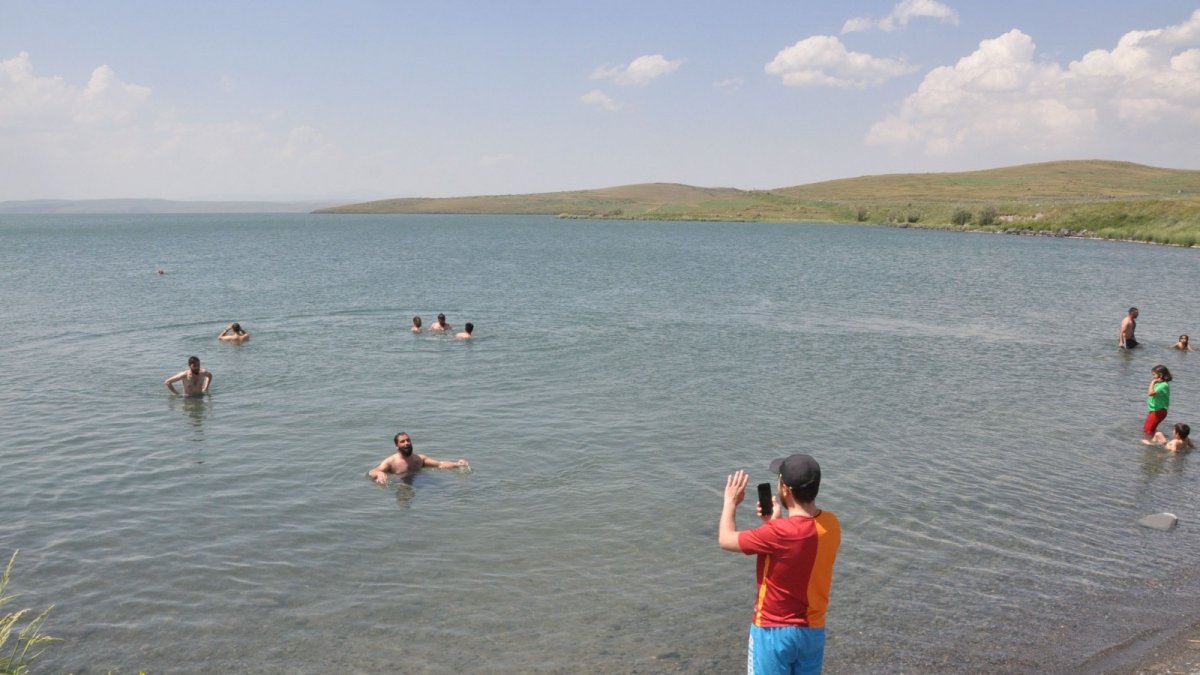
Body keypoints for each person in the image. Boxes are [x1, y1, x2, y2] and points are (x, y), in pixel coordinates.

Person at [718, 454, 841, 675]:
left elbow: (726, 539)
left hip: (772, 631)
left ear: (785, 489)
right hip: (813, 631)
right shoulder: (831, 524)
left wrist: (730, 502)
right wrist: (774, 522)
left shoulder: (777, 533)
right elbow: (798, 546)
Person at [367, 432, 468, 484]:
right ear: (397, 446)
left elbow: (440, 464)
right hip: (400, 485)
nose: (406, 443)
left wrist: (457, 464)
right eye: (402, 441)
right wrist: (379, 473)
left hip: (420, 483)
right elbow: (371, 472)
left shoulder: (419, 459)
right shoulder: (391, 462)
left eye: (408, 440)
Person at [1143, 364, 1172, 440]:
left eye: (1154, 375)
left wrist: (1152, 382)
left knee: (1147, 431)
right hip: (1155, 410)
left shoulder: (1163, 385)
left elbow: (1150, 393)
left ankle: (1155, 442)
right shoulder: (1159, 383)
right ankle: (1156, 441)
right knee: (1150, 430)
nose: (1152, 377)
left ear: (1160, 375)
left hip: (1158, 411)